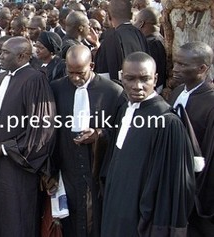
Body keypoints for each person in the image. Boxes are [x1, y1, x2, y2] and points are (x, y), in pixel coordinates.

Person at [101, 52, 195, 236]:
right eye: (130, 79)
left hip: (142, 221)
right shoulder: (125, 110)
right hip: (116, 210)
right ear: (121, 77)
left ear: (156, 78)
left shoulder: (167, 123)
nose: (137, 86)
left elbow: (172, 187)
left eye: (145, 79)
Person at [0, 36, 56, 237]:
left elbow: (41, 129)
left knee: (17, 215)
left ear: (22, 56)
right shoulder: (1, 77)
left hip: (18, 165)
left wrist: (4, 148)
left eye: (5, 52)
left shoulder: (34, 79)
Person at [50, 45, 125, 237]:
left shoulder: (113, 92)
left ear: (91, 65)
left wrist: (99, 134)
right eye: (70, 72)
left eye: (80, 73)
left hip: (96, 167)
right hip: (67, 163)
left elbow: (121, 131)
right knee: (69, 215)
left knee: (95, 217)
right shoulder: (56, 87)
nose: (75, 78)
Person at [168, 42, 214, 237]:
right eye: (175, 63)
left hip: (198, 193)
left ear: (202, 68)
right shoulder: (178, 92)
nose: (175, 69)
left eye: (183, 65)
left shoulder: (211, 103)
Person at [94, 0, 149, 80]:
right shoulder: (140, 34)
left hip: (118, 90)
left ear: (109, 16)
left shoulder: (111, 38)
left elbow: (103, 76)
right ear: (131, 15)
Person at [133, 7, 167, 94]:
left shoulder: (152, 43)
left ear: (141, 23)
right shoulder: (160, 39)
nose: (133, 23)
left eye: (135, 20)